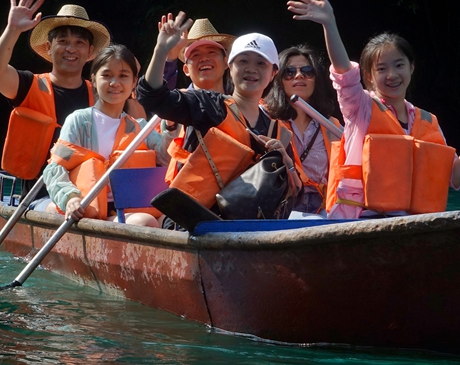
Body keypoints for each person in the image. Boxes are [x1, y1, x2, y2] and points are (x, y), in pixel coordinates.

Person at [288, 0, 460, 220]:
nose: (392, 75)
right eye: (381, 69)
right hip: (360, 218)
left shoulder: (428, 120)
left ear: (411, 67)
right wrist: (329, 24)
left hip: (412, 221)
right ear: (369, 76)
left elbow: (455, 176)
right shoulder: (361, 107)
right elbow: (343, 73)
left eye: (399, 65)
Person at [137, 13, 298, 218]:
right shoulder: (207, 104)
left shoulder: (278, 131)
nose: (251, 69)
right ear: (230, 67)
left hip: (251, 227)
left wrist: (286, 161)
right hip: (194, 221)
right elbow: (152, 98)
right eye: (243, 61)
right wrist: (161, 50)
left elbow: (294, 194)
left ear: (273, 73)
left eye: (261, 63)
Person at [0, 0, 110, 193]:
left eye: (79, 43)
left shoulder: (100, 94)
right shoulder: (29, 85)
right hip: (39, 197)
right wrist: (12, 29)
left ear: (90, 51)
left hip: (89, 194)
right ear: (49, 47)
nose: (71, 49)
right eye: (63, 41)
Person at [38, 44, 170, 227]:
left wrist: (170, 126)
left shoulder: (139, 127)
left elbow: (166, 159)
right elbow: (55, 168)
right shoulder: (79, 121)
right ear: (93, 79)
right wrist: (70, 198)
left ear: (133, 82)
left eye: (123, 76)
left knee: (170, 221)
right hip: (86, 208)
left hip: (125, 210)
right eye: (106, 75)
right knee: (145, 221)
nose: (114, 83)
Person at [263, 45, 341, 215]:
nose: (298, 75)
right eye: (289, 72)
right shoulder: (266, 118)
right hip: (281, 208)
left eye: (307, 71)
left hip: (324, 208)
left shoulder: (332, 125)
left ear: (316, 79)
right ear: (278, 79)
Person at [160, 18, 237, 184]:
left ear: (226, 63)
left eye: (211, 52)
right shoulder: (176, 103)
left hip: (237, 190)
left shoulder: (239, 103)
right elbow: (163, 158)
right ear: (186, 69)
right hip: (191, 192)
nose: (204, 58)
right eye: (195, 54)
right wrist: (169, 57)